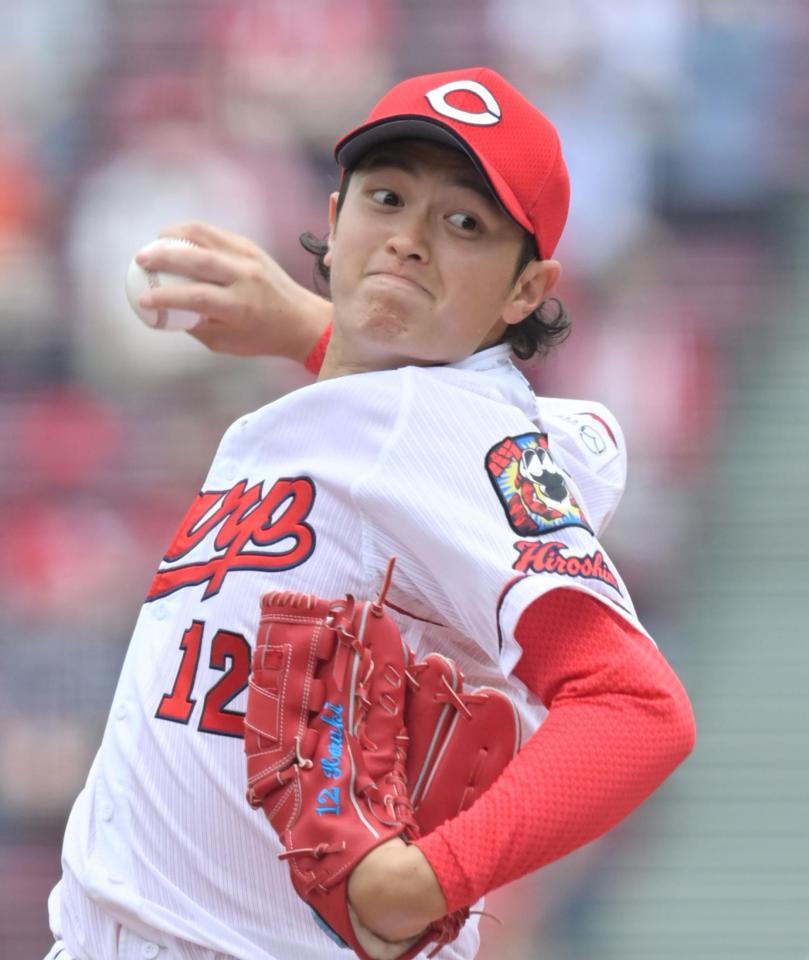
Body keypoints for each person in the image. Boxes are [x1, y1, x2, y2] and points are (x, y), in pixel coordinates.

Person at [46, 67, 695, 960]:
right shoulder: (392, 418)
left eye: (464, 223)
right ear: (335, 214)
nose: (409, 240)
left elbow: (636, 707)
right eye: (386, 198)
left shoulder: (442, 434)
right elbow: (395, 404)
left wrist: (430, 880)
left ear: (525, 289)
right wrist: (305, 330)